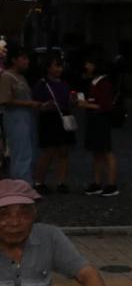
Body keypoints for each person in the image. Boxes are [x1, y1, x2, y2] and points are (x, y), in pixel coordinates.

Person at [0, 46, 48, 184]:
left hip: (27, 117)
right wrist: (29, 104)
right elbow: (5, 100)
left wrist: (38, 105)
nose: (27, 61)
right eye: (24, 58)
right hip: (15, 117)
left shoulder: (21, 77)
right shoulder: (6, 77)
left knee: (29, 151)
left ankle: (26, 184)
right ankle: (21, 186)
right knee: (20, 152)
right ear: (14, 60)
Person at [76, 55, 119, 197]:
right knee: (97, 152)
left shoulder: (104, 82)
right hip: (94, 119)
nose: (86, 66)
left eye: (88, 63)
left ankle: (111, 184)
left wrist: (86, 104)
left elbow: (105, 106)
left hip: (101, 120)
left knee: (106, 151)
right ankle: (97, 182)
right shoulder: (96, 81)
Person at [32, 55, 74, 194]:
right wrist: (44, 106)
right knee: (48, 152)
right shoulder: (42, 84)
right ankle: (39, 182)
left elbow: (68, 102)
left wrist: (73, 101)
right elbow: (36, 104)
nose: (59, 69)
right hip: (49, 118)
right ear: (48, 67)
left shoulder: (64, 84)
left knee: (63, 151)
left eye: (60, 66)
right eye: (56, 65)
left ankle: (61, 182)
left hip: (63, 117)